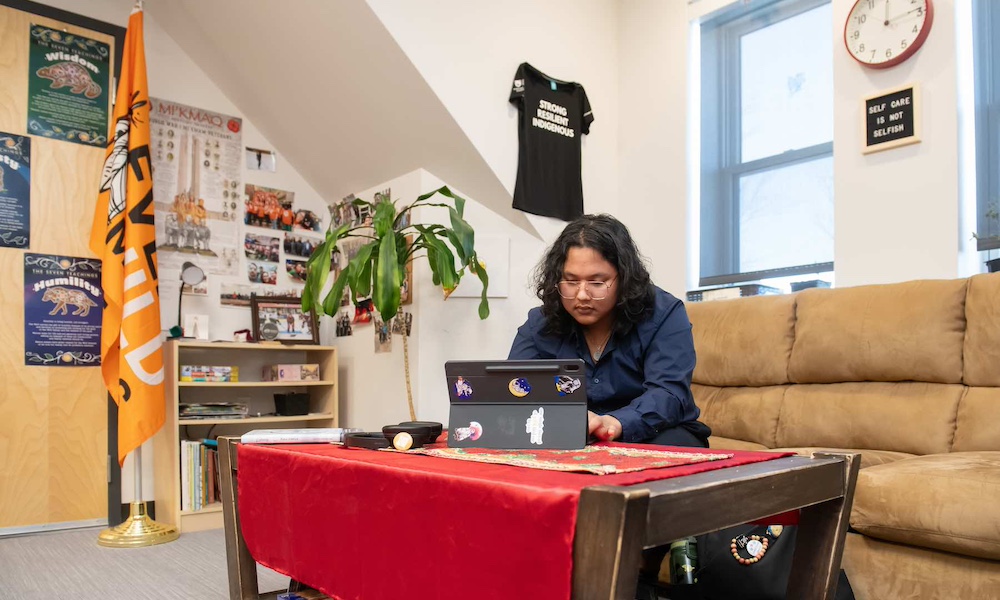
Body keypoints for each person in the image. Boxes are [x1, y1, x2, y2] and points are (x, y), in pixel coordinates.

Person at [508, 213, 710, 448]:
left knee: (672, 447)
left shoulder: (664, 314)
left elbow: (668, 393)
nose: (582, 295)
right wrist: (564, 420)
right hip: (571, 434)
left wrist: (613, 423)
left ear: (624, 278)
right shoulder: (540, 323)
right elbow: (514, 386)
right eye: (571, 282)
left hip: (654, 432)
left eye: (596, 283)